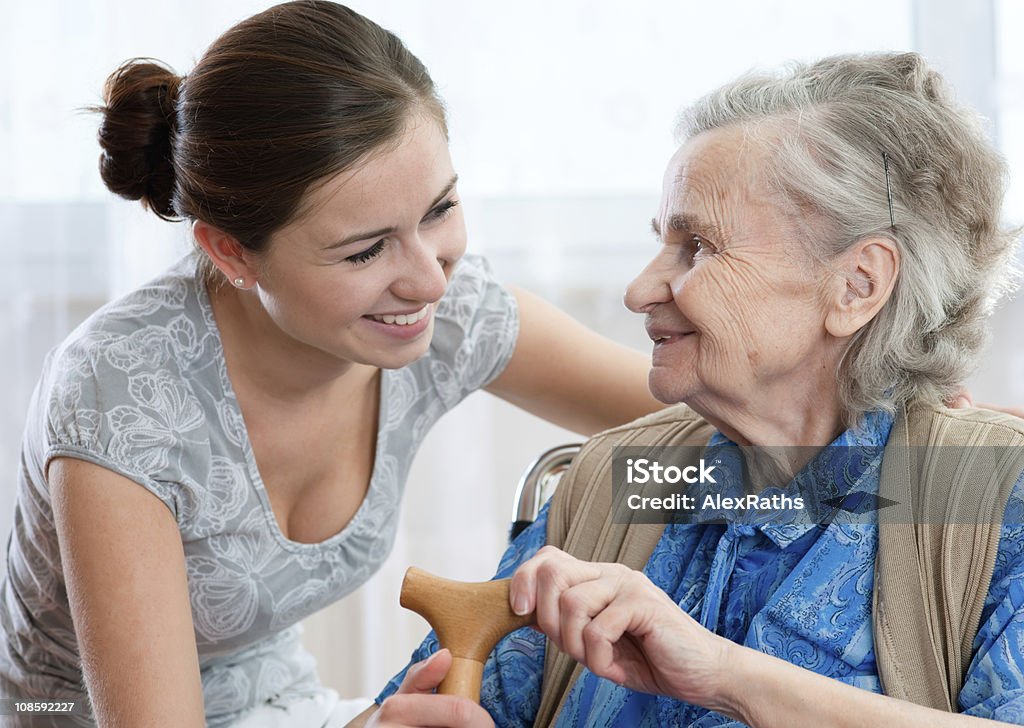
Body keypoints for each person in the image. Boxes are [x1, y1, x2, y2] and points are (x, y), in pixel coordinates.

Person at [0, 3, 666, 726]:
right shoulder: (118, 397)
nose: (430, 280)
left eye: (439, 208)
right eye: (364, 250)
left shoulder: (447, 314)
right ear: (230, 252)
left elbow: (719, 426)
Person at [365, 52, 1024, 727]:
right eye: (662, 243)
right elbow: (426, 707)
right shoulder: (621, 478)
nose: (640, 290)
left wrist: (725, 676)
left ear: (856, 286)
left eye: (698, 247)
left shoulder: (996, 497)